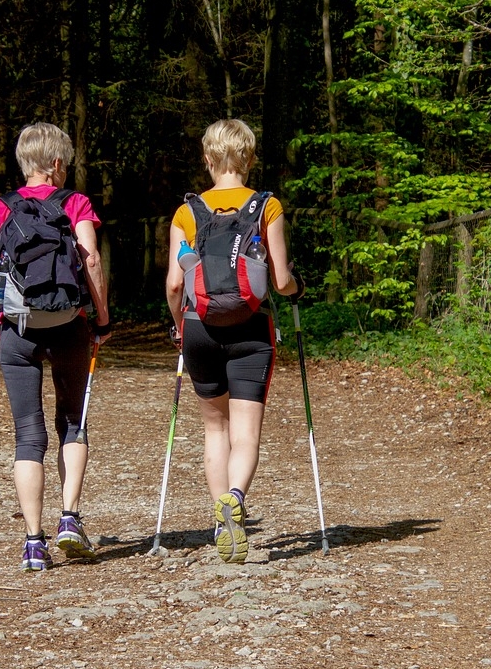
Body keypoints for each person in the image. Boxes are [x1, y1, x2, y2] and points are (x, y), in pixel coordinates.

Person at [165, 119, 304, 564]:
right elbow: (280, 281)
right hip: (250, 329)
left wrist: (178, 327)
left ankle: (222, 521)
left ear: (207, 160)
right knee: (246, 433)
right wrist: (297, 288)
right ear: (249, 159)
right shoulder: (267, 206)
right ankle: (237, 497)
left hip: (198, 327)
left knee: (214, 428)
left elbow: (173, 284)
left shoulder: (186, 212)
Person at [0, 122, 112, 572]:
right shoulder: (75, 204)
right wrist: (102, 317)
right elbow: (90, 261)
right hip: (69, 324)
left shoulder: (1, 208)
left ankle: (34, 543)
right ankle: (69, 518)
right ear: (57, 163)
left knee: (28, 435)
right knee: (73, 420)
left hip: (18, 330)